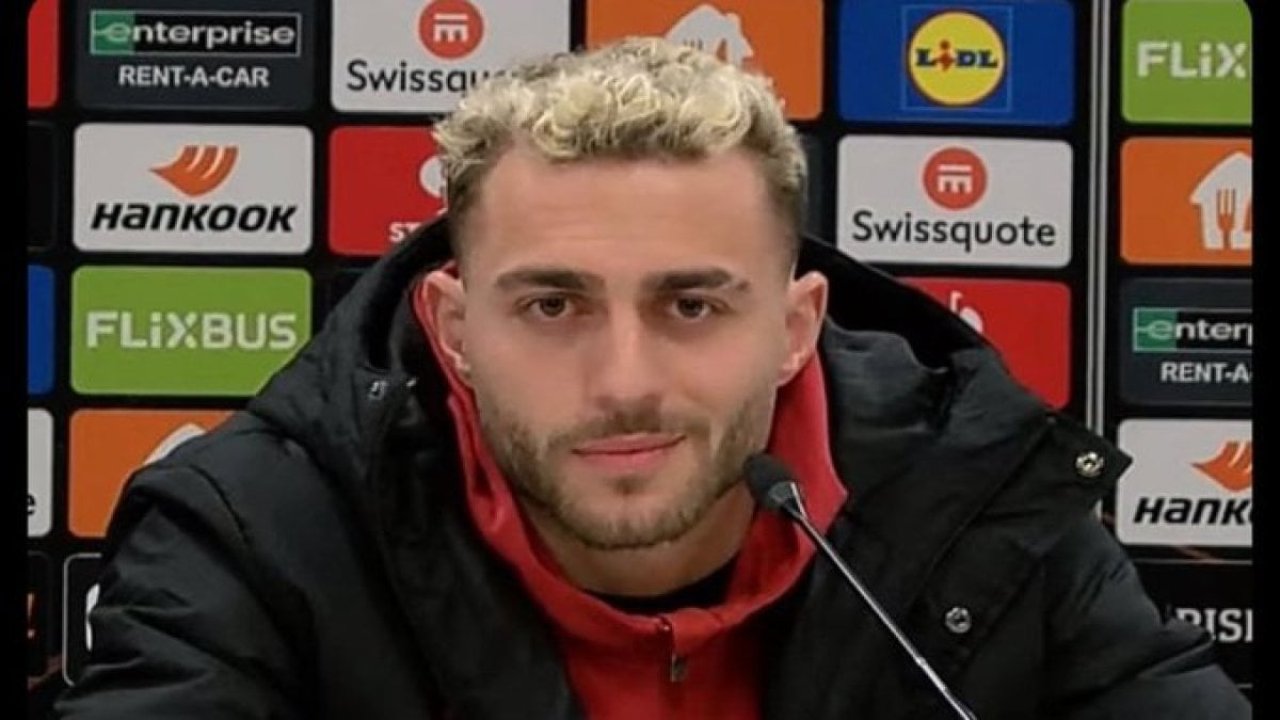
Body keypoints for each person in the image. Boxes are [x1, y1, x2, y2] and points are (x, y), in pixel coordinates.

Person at [55, 37, 1249, 719]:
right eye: (551, 305)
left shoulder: (977, 502)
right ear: (453, 329)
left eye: (691, 306)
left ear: (794, 327)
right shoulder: (258, 533)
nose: (622, 381)